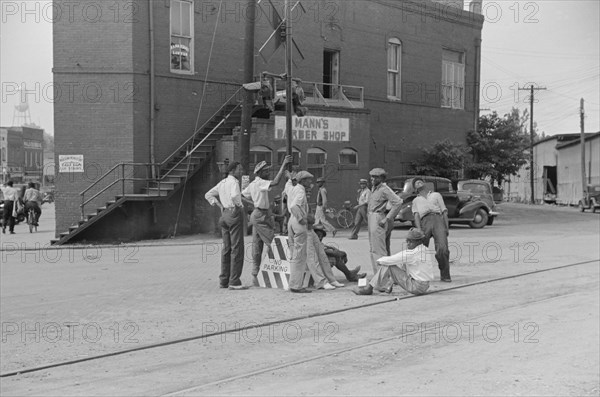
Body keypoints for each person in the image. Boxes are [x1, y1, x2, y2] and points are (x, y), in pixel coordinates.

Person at [242, 156, 292, 287]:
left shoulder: (253, 184)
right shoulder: (259, 183)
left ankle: (255, 275)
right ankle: (282, 273)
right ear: (259, 173)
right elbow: (275, 182)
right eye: (265, 171)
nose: (268, 173)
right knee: (274, 243)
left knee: (257, 246)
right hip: (260, 216)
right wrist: (283, 164)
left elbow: (242, 195)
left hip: (260, 214)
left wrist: (253, 203)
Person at [204, 162, 247, 290]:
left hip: (224, 216)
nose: (241, 171)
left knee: (226, 249)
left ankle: (223, 280)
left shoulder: (222, 183)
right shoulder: (234, 182)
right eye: (239, 169)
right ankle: (234, 281)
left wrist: (219, 205)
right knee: (237, 248)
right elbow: (234, 196)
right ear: (233, 171)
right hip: (234, 213)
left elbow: (208, 194)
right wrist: (239, 206)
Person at [353, 228, 434, 296]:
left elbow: (390, 260)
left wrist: (379, 261)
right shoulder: (424, 249)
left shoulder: (412, 253)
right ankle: (388, 285)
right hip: (424, 285)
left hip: (416, 286)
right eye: (407, 241)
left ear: (418, 242)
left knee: (389, 265)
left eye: (411, 241)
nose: (408, 244)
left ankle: (369, 288)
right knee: (401, 264)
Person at [367, 168, 402, 291]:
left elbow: (398, 202)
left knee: (379, 252)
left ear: (382, 178)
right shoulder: (374, 189)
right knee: (374, 251)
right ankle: (380, 280)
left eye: (376, 177)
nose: (373, 179)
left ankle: (385, 282)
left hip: (378, 217)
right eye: (371, 177)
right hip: (371, 217)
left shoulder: (384, 189)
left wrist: (387, 218)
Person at [412, 178, 451, 282]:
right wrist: (419, 229)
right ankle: (419, 276)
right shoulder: (416, 200)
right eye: (416, 183)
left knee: (442, 249)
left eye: (420, 181)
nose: (419, 183)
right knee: (420, 250)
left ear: (425, 184)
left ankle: (445, 275)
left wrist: (446, 227)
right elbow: (416, 215)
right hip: (424, 221)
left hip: (438, 220)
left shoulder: (436, 195)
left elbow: (444, 212)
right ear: (415, 188)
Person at [285, 170, 315, 293]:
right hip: (298, 221)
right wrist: (302, 220)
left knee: (294, 254)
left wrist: (289, 177)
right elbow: (294, 206)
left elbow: (287, 185)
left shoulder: (291, 188)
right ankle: (296, 285)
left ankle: (293, 283)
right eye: (308, 179)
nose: (310, 182)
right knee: (300, 255)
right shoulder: (301, 191)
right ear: (302, 181)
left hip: (291, 221)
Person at [305, 215, 339, 289]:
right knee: (313, 257)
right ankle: (321, 281)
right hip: (304, 227)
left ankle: (331, 279)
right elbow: (294, 209)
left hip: (309, 227)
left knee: (322, 255)